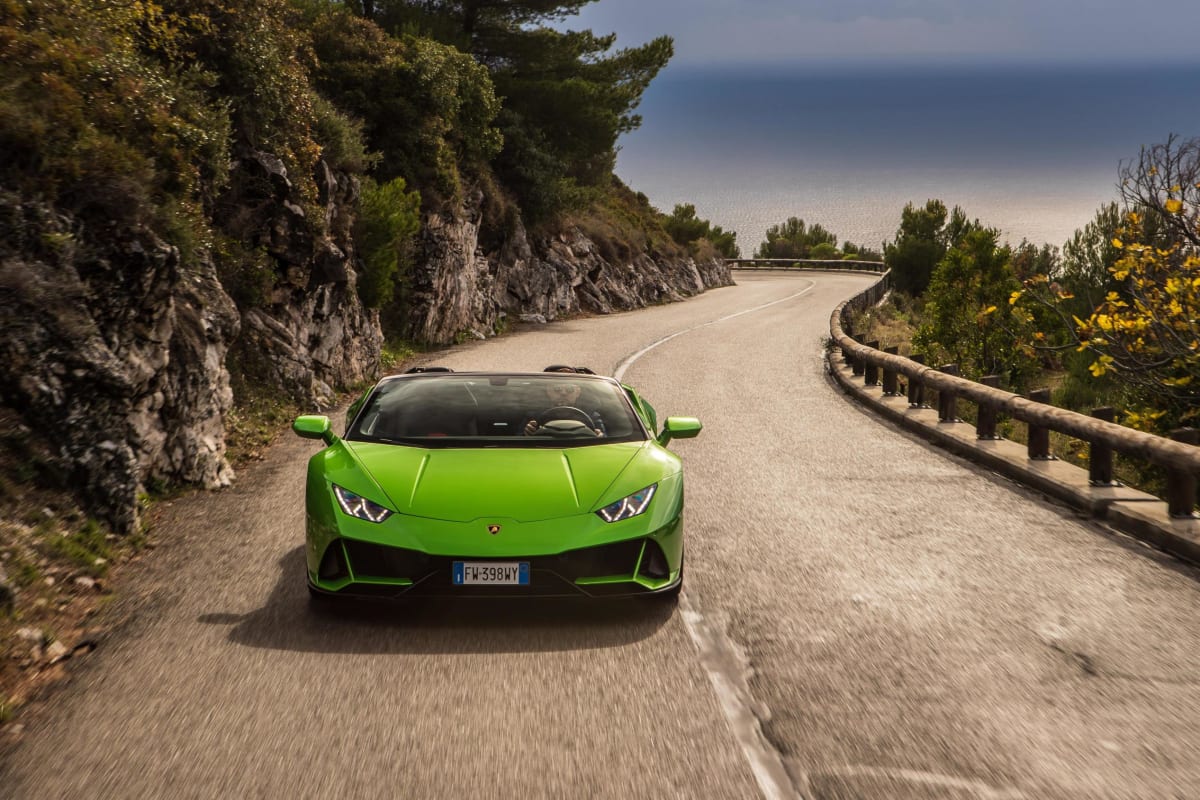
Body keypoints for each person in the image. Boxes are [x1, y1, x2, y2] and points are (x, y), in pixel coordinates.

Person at [523, 378, 605, 436]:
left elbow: (606, 439)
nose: (563, 393)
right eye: (557, 389)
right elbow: (516, 439)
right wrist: (526, 433)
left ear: (577, 392)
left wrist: (600, 437)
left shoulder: (591, 415)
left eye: (570, 389)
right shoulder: (533, 415)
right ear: (548, 391)